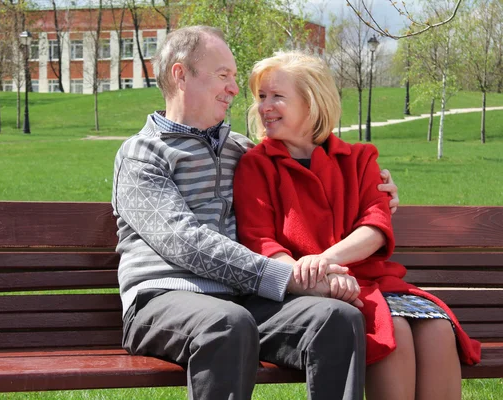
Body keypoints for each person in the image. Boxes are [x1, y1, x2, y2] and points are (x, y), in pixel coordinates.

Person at [112, 26, 398, 400]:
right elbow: (186, 244)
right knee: (227, 324)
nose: (234, 88)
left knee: (337, 318)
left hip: (244, 302)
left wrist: (380, 190)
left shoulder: (241, 151)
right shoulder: (141, 155)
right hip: (163, 301)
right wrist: (288, 276)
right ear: (181, 75)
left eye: (233, 77)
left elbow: (308, 168)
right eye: (223, 76)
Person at [233, 51, 482, 400]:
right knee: (390, 330)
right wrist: (315, 277)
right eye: (261, 96)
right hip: (305, 291)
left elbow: (375, 225)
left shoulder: (360, 157)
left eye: (277, 96)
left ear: (312, 102)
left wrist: (324, 261)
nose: (265, 106)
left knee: (437, 329)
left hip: (373, 280)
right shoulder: (256, 165)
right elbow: (261, 241)